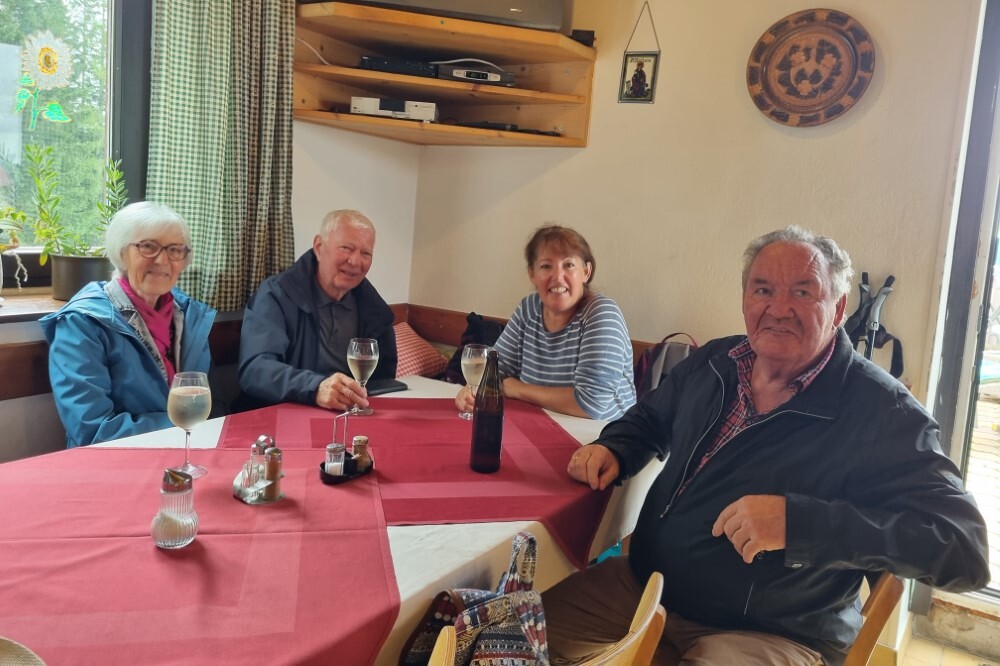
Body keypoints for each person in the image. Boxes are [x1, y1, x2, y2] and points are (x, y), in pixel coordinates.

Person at [544, 226, 990, 665]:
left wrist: (799, 525)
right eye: (762, 290)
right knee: (513, 637)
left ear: (838, 308)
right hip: (646, 587)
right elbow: (650, 418)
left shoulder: (883, 411)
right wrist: (615, 447)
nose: (778, 309)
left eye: (802, 292)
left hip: (771, 631)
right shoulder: (715, 361)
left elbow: (964, 549)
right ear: (745, 299)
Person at [40, 202, 216, 447]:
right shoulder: (81, 323)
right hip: (115, 460)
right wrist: (187, 427)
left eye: (175, 249)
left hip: (189, 451)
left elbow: (212, 405)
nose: (162, 260)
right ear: (121, 253)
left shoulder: (191, 317)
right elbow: (92, 429)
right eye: (148, 246)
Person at [456, 225, 635, 420]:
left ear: (586, 272)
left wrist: (516, 389)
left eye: (568, 265)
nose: (557, 277)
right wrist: (471, 392)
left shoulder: (602, 313)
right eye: (546, 266)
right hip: (537, 424)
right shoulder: (528, 309)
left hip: (602, 434)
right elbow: (495, 371)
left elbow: (591, 404)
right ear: (532, 274)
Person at [238, 209, 397, 411]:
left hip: (346, 416)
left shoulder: (374, 309)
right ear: (319, 247)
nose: (356, 261)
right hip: (282, 413)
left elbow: (383, 380)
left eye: (366, 253)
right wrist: (315, 388)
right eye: (347, 248)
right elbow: (255, 370)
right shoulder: (276, 295)